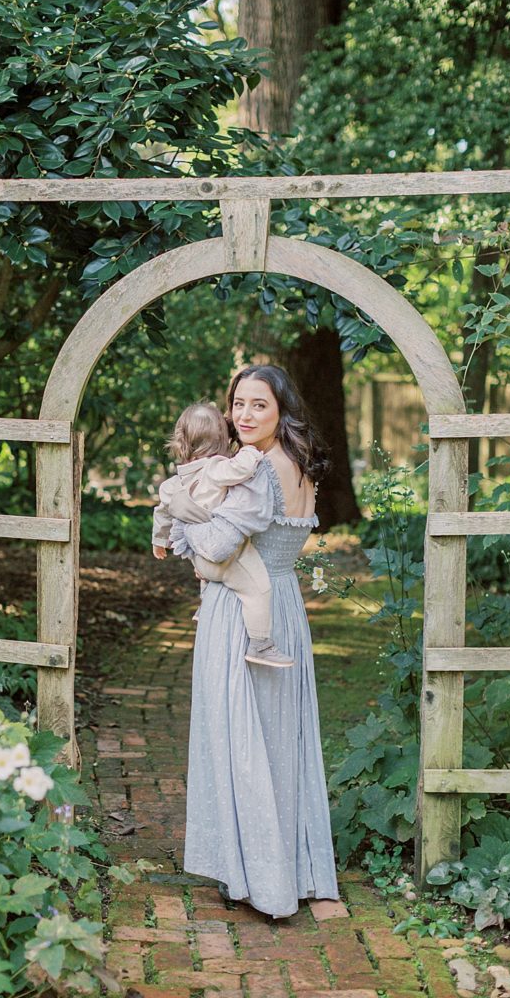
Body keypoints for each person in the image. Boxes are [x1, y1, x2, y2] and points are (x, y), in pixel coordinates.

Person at [166, 365, 339, 917]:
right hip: (280, 602)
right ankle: (283, 868)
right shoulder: (295, 462)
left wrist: (178, 516)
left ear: (281, 410)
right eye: (237, 403)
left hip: (241, 610)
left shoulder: (260, 468)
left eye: (258, 405)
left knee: (241, 737)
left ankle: (257, 879)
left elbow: (216, 547)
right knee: (276, 738)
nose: (243, 415)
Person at [152, 402, 293, 668]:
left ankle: (205, 604)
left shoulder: (172, 484)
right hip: (227, 559)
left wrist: (159, 541)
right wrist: (250, 452)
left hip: (200, 560)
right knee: (258, 589)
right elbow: (239, 469)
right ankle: (261, 644)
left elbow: (162, 514)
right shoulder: (215, 468)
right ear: (223, 438)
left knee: (206, 569)